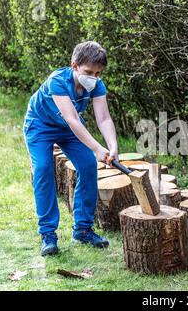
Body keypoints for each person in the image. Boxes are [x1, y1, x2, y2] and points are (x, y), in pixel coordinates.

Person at [22, 41, 119, 256]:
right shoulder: (57, 80)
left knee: (87, 166)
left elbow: (103, 119)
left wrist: (112, 146)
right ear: (74, 66)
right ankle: (48, 234)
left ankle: (83, 229)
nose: (93, 77)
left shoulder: (96, 85)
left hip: (68, 128)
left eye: (97, 73)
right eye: (88, 72)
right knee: (43, 170)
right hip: (40, 126)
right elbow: (73, 120)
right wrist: (96, 148)